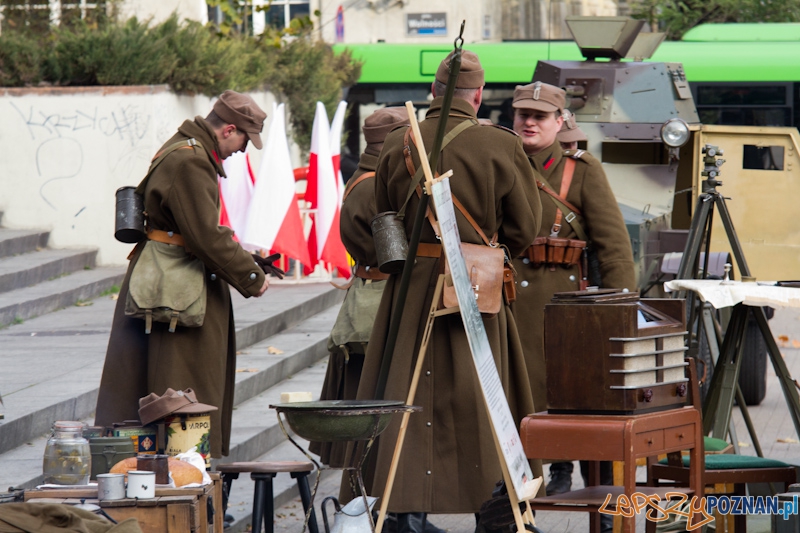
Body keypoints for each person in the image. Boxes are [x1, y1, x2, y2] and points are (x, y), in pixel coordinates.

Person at [351, 50, 543, 533]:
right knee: (485, 401)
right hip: (475, 289)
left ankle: (402, 515)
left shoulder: (398, 143)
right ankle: (497, 515)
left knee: (401, 399)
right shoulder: (498, 144)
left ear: (434, 93)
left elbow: (384, 216)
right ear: (477, 97)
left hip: (409, 293)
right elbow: (525, 227)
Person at [95, 90, 271, 460]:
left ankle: (177, 468)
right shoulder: (192, 160)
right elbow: (205, 234)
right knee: (182, 389)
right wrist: (251, 276)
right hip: (175, 289)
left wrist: (247, 259)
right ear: (228, 130)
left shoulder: (184, 147)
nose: (243, 150)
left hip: (168, 281)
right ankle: (184, 472)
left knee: (169, 386)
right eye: (244, 140)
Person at [510, 82, 636, 528]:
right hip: (507, 316)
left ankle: (598, 512)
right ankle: (508, 516)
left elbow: (614, 249)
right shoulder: (499, 164)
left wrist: (621, 315)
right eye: (522, 113)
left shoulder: (581, 171)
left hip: (564, 321)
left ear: (560, 122)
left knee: (585, 417)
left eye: (540, 116)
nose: (529, 121)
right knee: (510, 420)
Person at [310, 107, 410, 468]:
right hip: (377, 303)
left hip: (369, 298)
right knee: (372, 407)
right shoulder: (374, 187)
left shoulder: (366, 178)